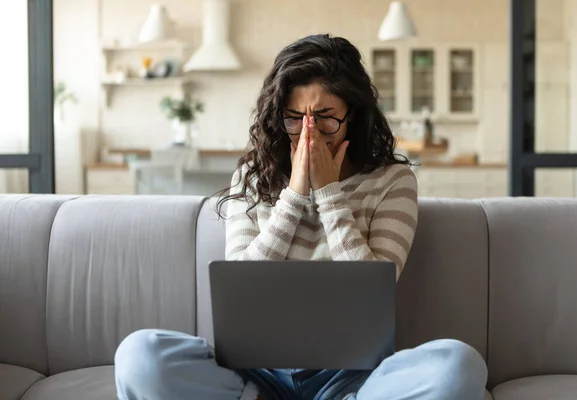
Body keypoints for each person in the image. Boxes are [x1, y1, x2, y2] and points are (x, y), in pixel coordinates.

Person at [114, 34, 487, 400]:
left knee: (459, 366)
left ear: (352, 116)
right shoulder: (252, 178)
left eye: (325, 118)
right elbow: (245, 287)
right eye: (295, 118)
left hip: (353, 376)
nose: (310, 135)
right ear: (279, 118)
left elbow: (371, 292)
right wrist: (294, 196)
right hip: (254, 372)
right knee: (139, 356)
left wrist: (328, 194)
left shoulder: (393, 181)